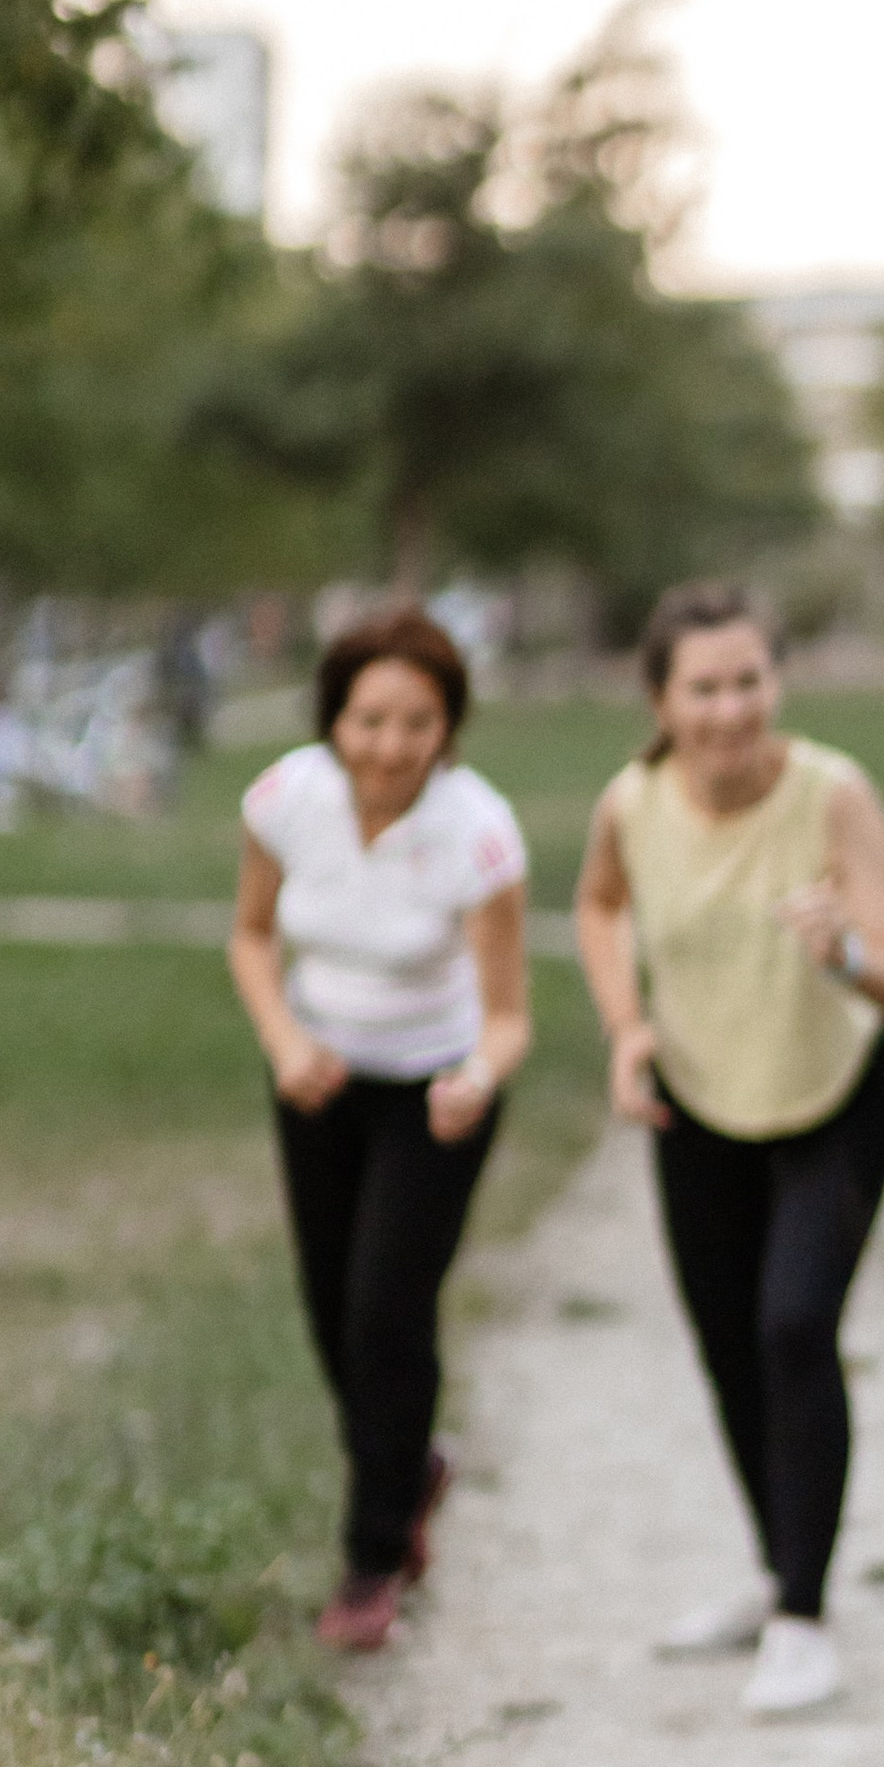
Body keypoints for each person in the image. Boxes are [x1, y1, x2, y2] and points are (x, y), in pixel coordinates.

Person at [575, 585, 884, 1719]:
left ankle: (805, 1622)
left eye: (747, 682)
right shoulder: (631, 802)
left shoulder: (833, 793)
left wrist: (845, 952)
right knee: (730, 1348)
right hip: (698, 1105)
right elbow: (598, 906)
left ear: (776, 683)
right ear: (659, 698)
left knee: (793, 1326)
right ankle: (780, 1570)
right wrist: (628, 1026)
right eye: (703, 688)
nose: (729, 709)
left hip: (833, 1096)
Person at [229, 607, 532, 1652]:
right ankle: (413, 1466)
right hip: (318, 1082)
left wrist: (476, 1078)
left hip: (435, 1094)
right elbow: (252, 936)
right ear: (333, 718)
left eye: (417, 722)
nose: (391, 745)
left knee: (385, 1312)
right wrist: (285, 1042)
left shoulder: (478, 832)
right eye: (369, 720)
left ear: (449, 727)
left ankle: (373, 1554)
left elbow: (509, 1015)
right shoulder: (286, 799)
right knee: (330, 1314)